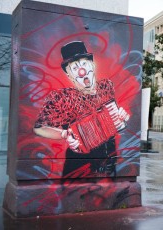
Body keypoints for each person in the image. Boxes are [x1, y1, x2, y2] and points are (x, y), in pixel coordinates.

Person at [33, 41, 130, 177]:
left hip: (109, 164)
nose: (82, 71)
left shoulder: (106, 87)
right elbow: (39, 128)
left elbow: (115, 120)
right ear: (69, 75)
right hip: (79, 168)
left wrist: (123, 118)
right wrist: (64, 134)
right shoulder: (62, 98)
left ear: (92, 65)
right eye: (75, 68)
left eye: (84, 64)